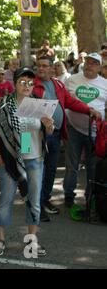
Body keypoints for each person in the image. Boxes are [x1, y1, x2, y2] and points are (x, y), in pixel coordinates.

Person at [0, 67, 54, 258]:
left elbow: (47, 132)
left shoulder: (39, 104)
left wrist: (49, 125)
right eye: (23, 82)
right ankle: (0, 238)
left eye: (30, 82)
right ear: (15, 84)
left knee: (34, 200)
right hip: (10, 158)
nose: (27, 86)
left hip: (33, 157)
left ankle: (32, 239)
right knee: (6, 199)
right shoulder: (5, 105)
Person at [32, 56, 100, 222]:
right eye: (39, 66)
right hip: (33, 135)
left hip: (54, 135)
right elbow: (22, 110)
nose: (41, 69)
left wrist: (88, 110)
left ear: (52, 69)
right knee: (34, 170)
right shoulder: (29, 84)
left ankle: (45, 200)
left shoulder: (58, 84)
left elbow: (70, 102)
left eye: (45, 66)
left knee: (51, 169)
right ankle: (36, 206)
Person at [62, 53, 107, 208]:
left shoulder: (105, 84)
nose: (90, 65)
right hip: (73, 128)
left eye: (94, 63)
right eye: (88, 62)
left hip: (96, 132)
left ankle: (91, 197)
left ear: (100, 67)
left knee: (92, 166)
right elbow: (64, 101)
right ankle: (68, 195)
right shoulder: (72, 80)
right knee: (71, 165)